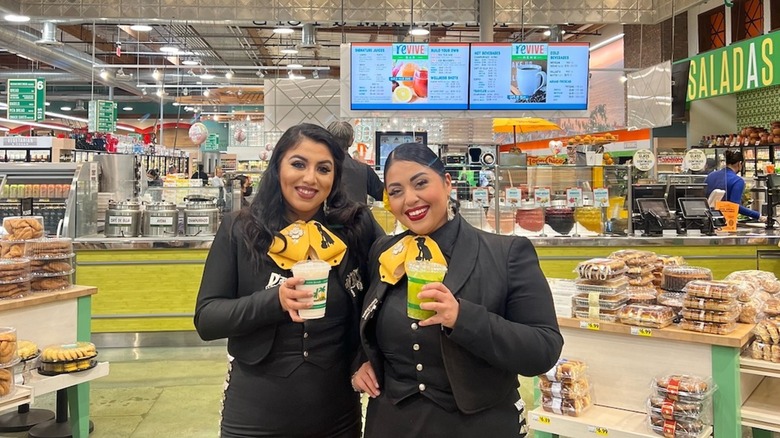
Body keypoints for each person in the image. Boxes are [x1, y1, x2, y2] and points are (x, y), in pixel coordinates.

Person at [352, 143, 564, 437]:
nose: (410, 199)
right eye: (396, 191)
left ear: (447, 182)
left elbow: (543, 349)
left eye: (421, 183)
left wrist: (463, 318)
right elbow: (365, 324)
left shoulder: (507, 254)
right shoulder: (383, 252)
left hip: (476, 425)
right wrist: (361, 362)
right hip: (391, 422)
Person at [194, 123, 384, 438]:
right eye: (298, 164)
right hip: (255, 415)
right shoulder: (241, 229)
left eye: (324, 168)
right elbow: (207, 319)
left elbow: (383, 294)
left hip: (337, 416)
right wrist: (275, 301)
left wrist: (367, 356)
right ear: (277, 166)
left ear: (334, 177)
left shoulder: (355, 227)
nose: (310, 178)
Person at [327, 121, 384, 204]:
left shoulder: (319, 168)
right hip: (357, 216)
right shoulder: (365, 170)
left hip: (327, 216)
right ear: (351, 141)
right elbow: (383, 194)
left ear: (328, 140)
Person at [705, 150, 765, 222]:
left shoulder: (710, 176)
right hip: (725, 221)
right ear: (739, 164)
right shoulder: (737, 181)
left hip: (708, 219)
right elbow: (735, 206)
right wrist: (759, 216)